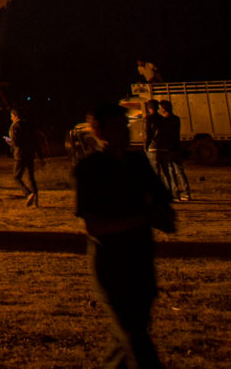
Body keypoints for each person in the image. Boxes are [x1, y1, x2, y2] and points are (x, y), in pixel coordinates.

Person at [74, 100, 176, 369]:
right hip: (112, 266)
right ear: (98, 132)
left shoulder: (137, 162)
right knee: (134, 338)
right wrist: (144, 215)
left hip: (141, 261)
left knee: (127, 339)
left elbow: (164, 207)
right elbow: (95, 226)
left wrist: (156, 213)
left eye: (125, 126)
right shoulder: (89, 169)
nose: (124, 132)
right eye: (116, 127)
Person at [153, 101, 192, 201]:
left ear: (163, 109)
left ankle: (175, 194)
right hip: (176, 146)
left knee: (171, 171)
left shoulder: (164, 120)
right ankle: (186, 192)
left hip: (168, 148)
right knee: (179, 170)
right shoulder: (176, 119)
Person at [7, 106, 40, 206]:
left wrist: (9, 142)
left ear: (16, 116)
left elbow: (16, 141)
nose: (11, 118)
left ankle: (28, 193)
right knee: (31, 177)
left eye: (12, 116)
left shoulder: (15, 127)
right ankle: (36, 200)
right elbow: (34, 139)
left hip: (20, 155)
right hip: (30, 153)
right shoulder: (28, 125)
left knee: (16, 177)